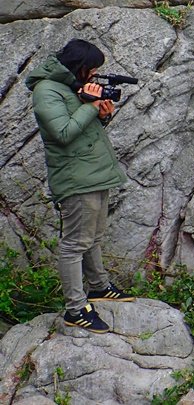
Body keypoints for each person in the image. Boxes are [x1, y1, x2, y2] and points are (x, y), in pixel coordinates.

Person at [25, 39, 135, 334]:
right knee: (74, 244)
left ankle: (99, 286)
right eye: (93, 68)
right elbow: (62, 133)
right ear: (80, 66)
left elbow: (84, 132)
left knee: (93, 237)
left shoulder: (71, 87)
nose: (95, 74)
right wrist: (90, 106)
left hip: (95, 173)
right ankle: (75, 309)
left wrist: (102, 115)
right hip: (76, 179)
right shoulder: (46, 90)